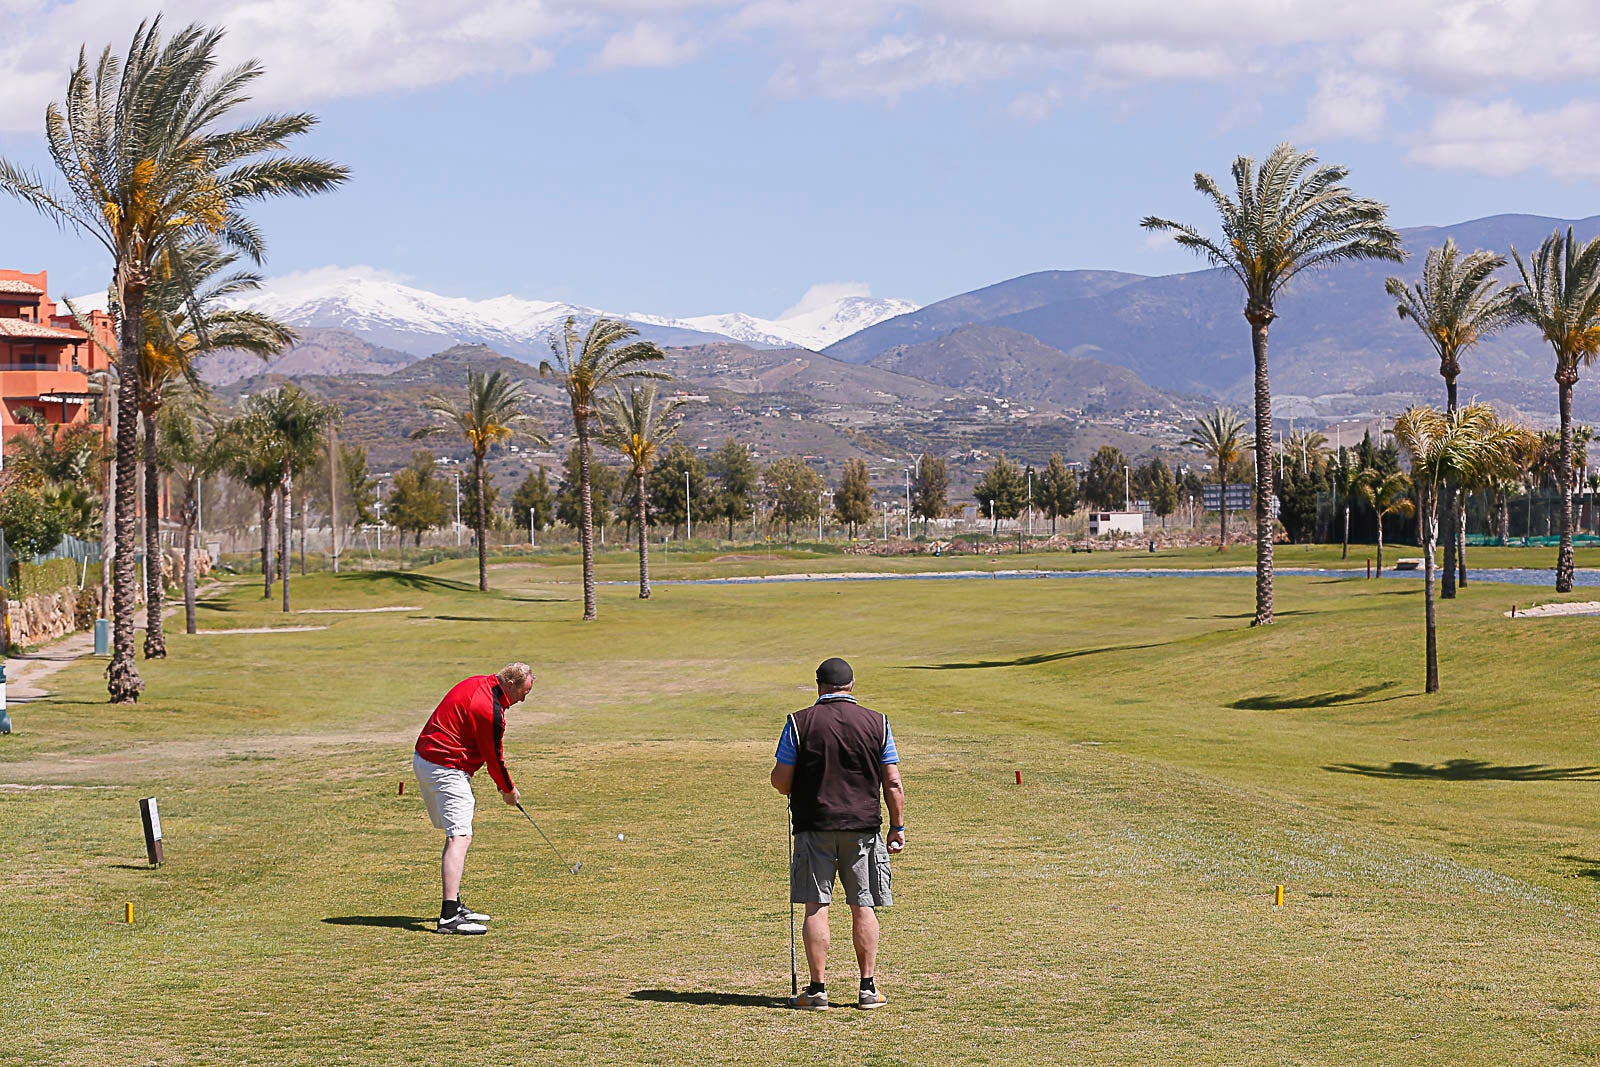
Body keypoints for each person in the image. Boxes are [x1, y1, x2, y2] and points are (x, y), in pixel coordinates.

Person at [770, 657, 906, 1010]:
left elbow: (782, 781)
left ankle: (817, 990)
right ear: (852, 685)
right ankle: (868, 988)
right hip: (863, 829)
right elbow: (891, 780)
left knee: (817, 906)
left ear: (819, 685)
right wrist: (897, 826)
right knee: (863, 905)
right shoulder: (879, 722)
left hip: (814, 827)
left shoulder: (799, 722)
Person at [413, 662, 535, 934]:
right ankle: (448, 917)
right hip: (444, 767)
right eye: (524, 692)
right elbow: (495, 757)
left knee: (457, 833)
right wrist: (508, 790)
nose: (524, 698)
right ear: (510, 685)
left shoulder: (479, 682)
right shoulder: (490, 711)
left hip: (428, 759)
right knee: (460, 836)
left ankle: (454, 905)